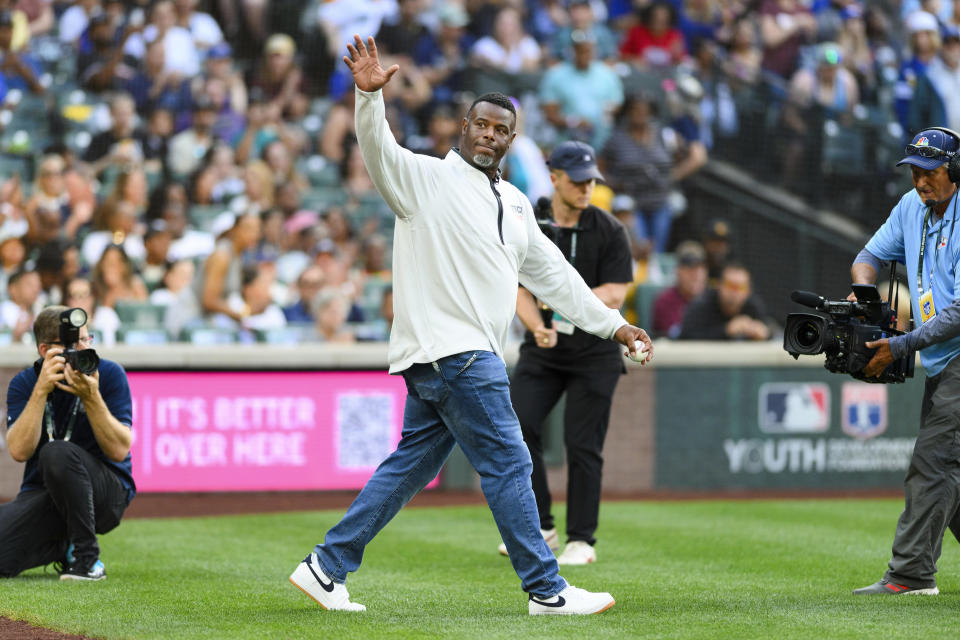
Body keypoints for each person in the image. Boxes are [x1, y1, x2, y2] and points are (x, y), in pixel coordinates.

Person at [288, 34, 653, 615]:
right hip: (459, 356)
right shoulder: (425, 179)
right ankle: (547, 590)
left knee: (408, 469)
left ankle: (325, 568)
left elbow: (557, 279)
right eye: (480, 124)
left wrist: (615, 327)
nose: (489, 134)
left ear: (512, 138)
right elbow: (378, 149)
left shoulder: (513, 202)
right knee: (511, 463)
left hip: (441, 358)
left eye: (500, 129)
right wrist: (368, 98)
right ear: (464, 126)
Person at [500, 140, 633, 566]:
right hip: (545, 348)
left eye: (590, 180)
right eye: (577, 180)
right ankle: (540, 526)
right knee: (519, 428)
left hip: (595, 351)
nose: (585, 188)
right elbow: (515, 283)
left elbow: (616, 291)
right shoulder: (528, 217)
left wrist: (562, 303)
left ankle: (582, 540)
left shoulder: (609, 229)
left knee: (583, 443)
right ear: (553, 177)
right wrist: (537, 327)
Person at [849, 127, 960, 596]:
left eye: (929, 172)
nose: (919, 182)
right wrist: (864, 296)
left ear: (954, 170)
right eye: (914, 172)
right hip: (940, 361)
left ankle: (911, 575)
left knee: (932, 463)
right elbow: (868, 256)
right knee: (949, 475)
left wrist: (900, 345)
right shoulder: (910, 208)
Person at [0, 305, 135, 580]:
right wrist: (41, 391)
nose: (82, 350)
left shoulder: (108, 374)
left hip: (106, 495)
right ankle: (60, 544)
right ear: (44, 350)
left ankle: (87, 560)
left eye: (86, 340)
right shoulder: (25, 383)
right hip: (44, 494)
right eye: (72, 345)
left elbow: (120, 450)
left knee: (56, 452)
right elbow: (18, 450)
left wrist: (91, 397)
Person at [678, 261, 772, 340]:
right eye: (730, 285)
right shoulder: (702, 305)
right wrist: (726, 330)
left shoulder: (753, 306)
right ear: (719, 285)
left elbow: (772, 332)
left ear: (748, 291)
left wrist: (764, 334)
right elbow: (686, 336)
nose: (734, 292)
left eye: (740, 287)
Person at [651, 240, 708, 338]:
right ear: (678, 271)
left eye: (699, 268)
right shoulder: (665, 301)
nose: (695, 275)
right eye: (689, 269)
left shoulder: (712, 298)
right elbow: (674, 336)